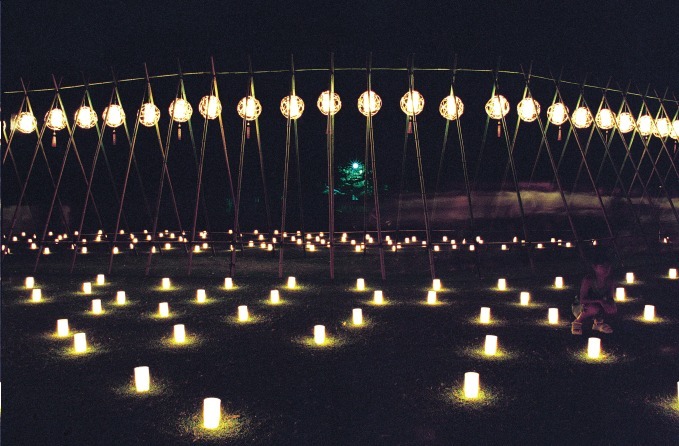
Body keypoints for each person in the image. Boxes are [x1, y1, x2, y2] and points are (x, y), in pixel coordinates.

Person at [571, 251, 617, 335]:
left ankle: (598, 323)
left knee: (612, 309)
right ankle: (577, 321)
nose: (606, 269)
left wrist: (610, 305)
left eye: (608, 266)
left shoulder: (610, 280)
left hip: (599, 304)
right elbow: (582, 300)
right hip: (583, 306)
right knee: (593, 308)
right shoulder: (588, 280)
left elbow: (610, 297)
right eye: (602, 266)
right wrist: (600, 301)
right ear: (594, 267)